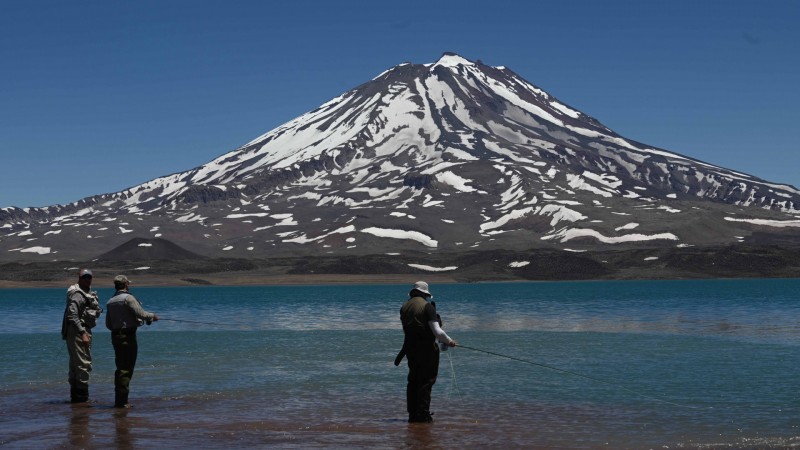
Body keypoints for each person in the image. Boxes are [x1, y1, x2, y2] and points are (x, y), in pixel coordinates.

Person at [398, 281, 456, 423]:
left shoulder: (404, 307)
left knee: (413, 381)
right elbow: (437, 331)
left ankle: (413, 415)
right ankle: (423, 416)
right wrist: (449, 341)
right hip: (426, 350)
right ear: (425, 294)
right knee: (426, 382)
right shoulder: (427, 307)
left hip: (411, 350)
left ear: (413, 292)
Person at [105, 274, 159, 408]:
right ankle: (122, 402)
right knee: (126, 369)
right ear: (126, 285)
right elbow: (141, 314)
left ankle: (120, 399)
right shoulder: (128, 298)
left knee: (120, 368)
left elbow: (108, 324)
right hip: (127, 336)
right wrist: (153, 316)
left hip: (115, 337)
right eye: (128, 283)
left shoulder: (110, 301)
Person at [61, 268, 103, 403]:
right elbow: (72, 315)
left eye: (89, 277)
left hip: (80, 330)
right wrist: (82, 333)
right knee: (83, 364)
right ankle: (82, 400)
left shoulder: (87, 293)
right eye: (84, 277)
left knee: (75, 364)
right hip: (79, 331)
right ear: (79, 278)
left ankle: (76, 400)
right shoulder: (78, 295)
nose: (87, 279)